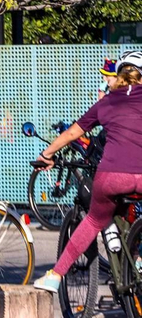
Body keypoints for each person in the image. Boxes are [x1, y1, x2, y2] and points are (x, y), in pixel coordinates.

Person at [33, 49, 142, 294]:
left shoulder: (108, 101)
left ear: (119, 75)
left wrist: (47, 155)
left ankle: (56, 275)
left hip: (113, 175)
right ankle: (137, 259)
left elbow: (74, 132)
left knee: (93, 220)